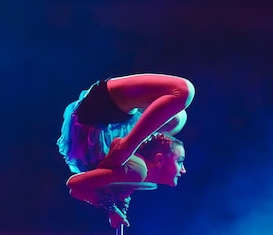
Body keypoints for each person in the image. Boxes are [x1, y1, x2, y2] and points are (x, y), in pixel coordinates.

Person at [57, 73, 195, 174]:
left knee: (183, 95)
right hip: (99, 125)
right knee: (178, 118)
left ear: (159, 160)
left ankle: (125, 147)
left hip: (96, 130)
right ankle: (126, 147)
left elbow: (77, 186)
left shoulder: (135, 171)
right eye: (180, 161)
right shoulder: (169, 126)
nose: (184, 170)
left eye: (180, 161)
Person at [66, 133, 187, 228]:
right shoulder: (138, 171)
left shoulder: (136, 176)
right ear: (159, 160)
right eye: (180, 161)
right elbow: (74, 184)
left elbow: (79, 191)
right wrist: (111, 208)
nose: (183, 170)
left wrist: (113, 210)